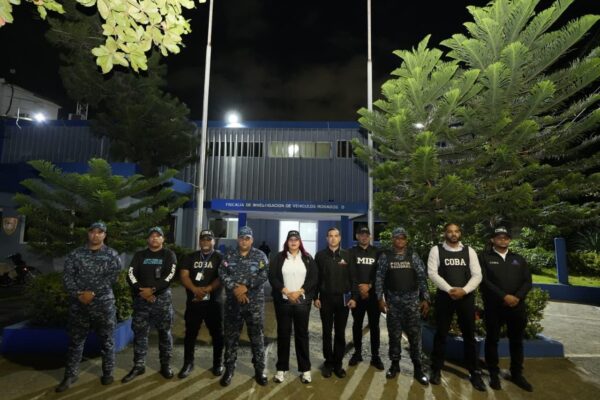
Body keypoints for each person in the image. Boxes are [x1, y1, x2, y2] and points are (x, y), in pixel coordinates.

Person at [56, 221, 122, 392]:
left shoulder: (112, 255)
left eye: (100, 232)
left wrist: (92, 292)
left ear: (104, 235)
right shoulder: (76, 254)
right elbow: (67, 277)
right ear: (88, 234)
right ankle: (70, 375)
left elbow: (113, 277)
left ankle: (107, 373)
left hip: (103, 304)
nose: (95, 235)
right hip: (79, 304)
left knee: (107, 341)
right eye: (92, 232)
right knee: (75, 341)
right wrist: (78, 294)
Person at [427, 223, 486, 391]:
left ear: (460, 233)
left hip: (465, 298)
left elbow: (477, 275)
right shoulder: (436, 250)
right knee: (441, 334)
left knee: (469, 335)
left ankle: (474, 372)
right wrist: (450, 290)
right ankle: (436, 369)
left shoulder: (469, 251)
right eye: (450, 231)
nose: (453, 234)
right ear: (445, 233)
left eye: (456, 231)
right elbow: (432, 273)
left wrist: (464, 290)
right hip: (445, 298)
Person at [480, 227, 533, 392]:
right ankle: (493, 374)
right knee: (492, 340)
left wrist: (517, 297)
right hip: (494, 307)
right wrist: (504, 296)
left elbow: (527, 281)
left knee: (516, 341)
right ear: (492, 240)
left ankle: (517, 374)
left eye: (506, 237)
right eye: (499, 237)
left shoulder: (518, 259)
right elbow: (484, 281)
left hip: (516, 306)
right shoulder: (484, 257)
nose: (503, 240)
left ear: (509, 240)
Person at [122, 226, 177, 383]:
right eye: (152, 236)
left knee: (164, 333)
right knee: (140, 334)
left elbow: (170, 275)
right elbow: (131, 274)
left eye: (158, 236)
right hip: (141, 301)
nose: (154, 238)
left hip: (162, 301)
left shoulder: (169, 255)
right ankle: (139, 365)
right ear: (148, 239)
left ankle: (165, 365)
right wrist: (142, 291)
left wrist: (152, 290)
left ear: (163, 239)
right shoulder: (140, 255)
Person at [376, 227, 429, 385]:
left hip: (412, 304)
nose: (400, 240)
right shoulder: (386, 256)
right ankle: (395, 365)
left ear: (406, 240)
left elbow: (422, 277)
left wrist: (425, 298)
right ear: (393, 239)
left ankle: (418, 368)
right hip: (393, 304)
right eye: (397, 238)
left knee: (415, 336)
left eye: (402, 238)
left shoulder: (413, 256)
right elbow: (379, 278)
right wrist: (380, 299)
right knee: (394, 336)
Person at [218, 226, 269, 387]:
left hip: (254, 305)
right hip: (233, 304)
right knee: (231, 338)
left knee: (257, 338)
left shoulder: (260, 255)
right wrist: (235, 288)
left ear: (252, 240)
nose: (244, 241)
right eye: (241, 238)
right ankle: (229, 370)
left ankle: (259, 370)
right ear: (238, 239)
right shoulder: (229, 255)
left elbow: (264, 274)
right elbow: (222, 272)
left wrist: (246, 287)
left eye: (247, 238)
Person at [269, 230, 318, 384]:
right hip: (283, 302)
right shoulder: (279, 257)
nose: (293, 242)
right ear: (287, 242)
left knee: (302, 335)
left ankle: (305, 369)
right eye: (291, 239)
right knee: (283, 334)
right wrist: (285, 291)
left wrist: (300, 292)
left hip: (301, 303)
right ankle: (281, 369)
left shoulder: (308, 258)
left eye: (296, 239)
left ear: (300, 242)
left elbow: (313, 278)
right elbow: (272, 276)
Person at [178, 229, 224, 379]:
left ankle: (218, 363)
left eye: (209, 239)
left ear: (213, 241)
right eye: (203, 239)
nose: (205, 242)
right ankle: (188, 363)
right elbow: (184, 275)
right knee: (190, 334)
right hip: (194, 302)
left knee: (217, 334)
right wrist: (195, 290)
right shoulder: (189, 257)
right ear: (199, 241)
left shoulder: (220, 257)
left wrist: (208, 289)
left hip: (213, 303)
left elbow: (222, 276)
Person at [314, 227, 357, 379]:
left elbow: (354, 278)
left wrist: (354, 297)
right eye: (330, 236)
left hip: (343, 300)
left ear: (340, 238)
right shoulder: (320, 256)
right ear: (327, 238)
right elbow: (316, 279)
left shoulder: (347, 255)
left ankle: (338, 364)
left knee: (340, 332)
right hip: (325, 299)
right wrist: (315, 297)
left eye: (336, 236)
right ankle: (328, 363)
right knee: (326, 332)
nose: (333, 238)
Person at [349, 226, 384, 370]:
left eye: (366, 234)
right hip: (357, 295)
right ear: (357, 236)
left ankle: (375, 356)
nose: (364, 237)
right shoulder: (351, 252)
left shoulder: (377, 252)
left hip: (373, 296)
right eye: (361, 234)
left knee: (375, 326)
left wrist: (369, 286)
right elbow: (351, 272)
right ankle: (357, 353)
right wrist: (359, 288)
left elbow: (380, 272)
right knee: (357, 325)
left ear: (370, 237)